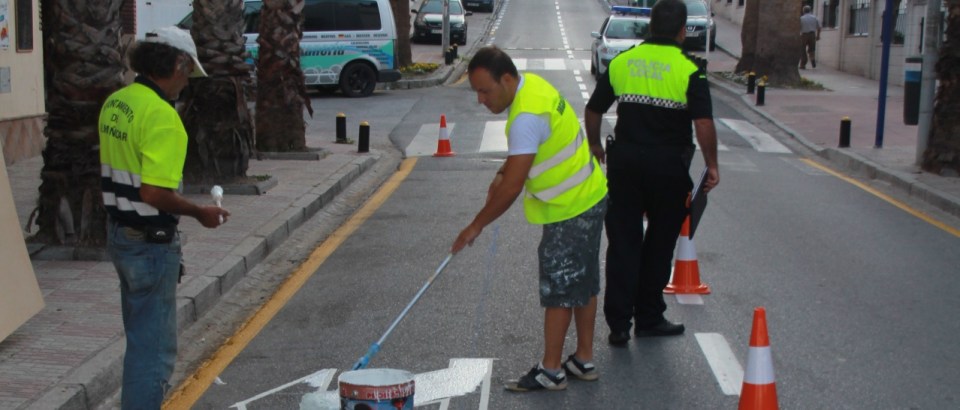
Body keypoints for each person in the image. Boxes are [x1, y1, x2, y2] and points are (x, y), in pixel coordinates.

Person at [451, 46, 608, 392]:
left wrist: (475, 225)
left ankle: (551, 370)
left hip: (570, 207)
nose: (480, 99)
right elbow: (528, 154)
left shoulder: (524, 118)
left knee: (559, 289)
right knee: (583, 281)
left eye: (484, 90)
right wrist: (504, 170)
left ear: (506, 79)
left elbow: (511, 189)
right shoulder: (534, 87)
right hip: (591, 194)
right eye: (476, 91)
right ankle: (583, 358)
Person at [99, 26, 230, 409]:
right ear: (176, 63)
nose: (186, 82)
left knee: (139, 339)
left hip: (120, 234)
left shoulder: (117, 103)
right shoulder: (163, 117)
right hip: (149, 243)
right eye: (188, 70)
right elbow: (153, 192)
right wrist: (199, 212)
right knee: (153, 353)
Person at [584, 0, 719, 347]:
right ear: (682, 31)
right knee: (659, 243)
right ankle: (648, 317)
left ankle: (618, 325)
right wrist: (712, 165)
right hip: (668, 168)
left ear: (650, 27)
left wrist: (595, 145)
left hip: (625, 165)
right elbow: (703, 122)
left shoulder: (623, 62)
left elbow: (594, 108)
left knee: (623, 243)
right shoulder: (690, 69)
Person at [800, 5, 821, 69]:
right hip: (812, 34)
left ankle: (803, 64)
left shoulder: (801, 18)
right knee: (812, 49)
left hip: (804, 35)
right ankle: (812, 59)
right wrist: (818, 36)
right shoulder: (814, 18)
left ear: (803, 11)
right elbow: (819, 27)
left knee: (802, 49)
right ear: (810, 10)